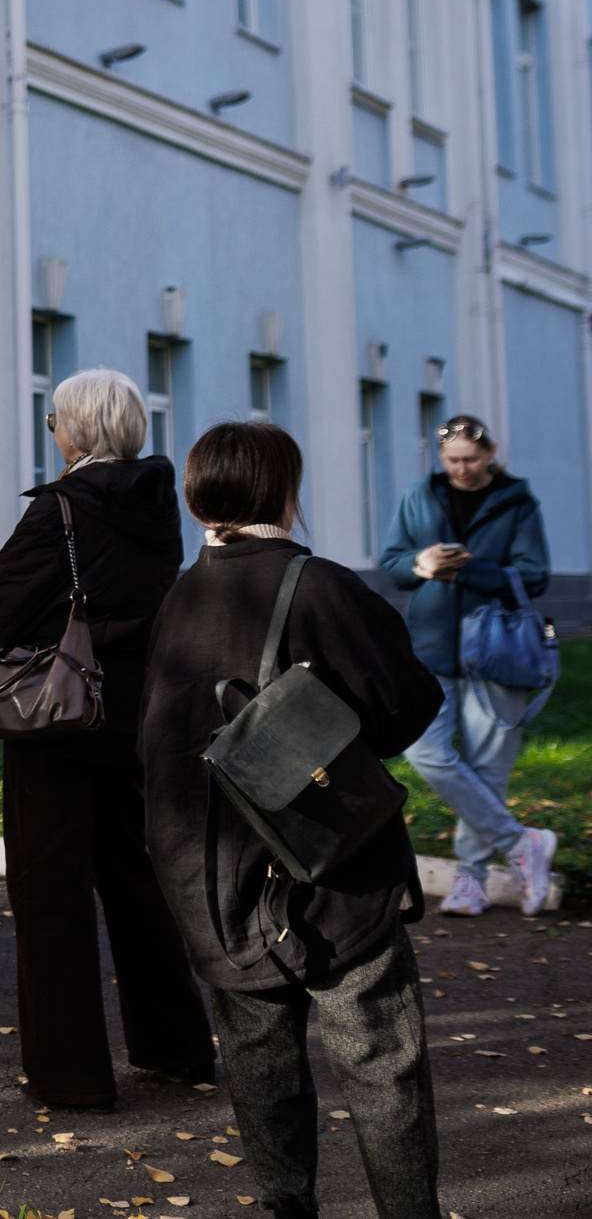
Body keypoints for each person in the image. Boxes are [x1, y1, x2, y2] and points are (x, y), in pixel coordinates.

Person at [145, 420, 444, 1219]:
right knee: (382, 1066)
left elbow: (159, 746)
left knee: (259, 1070)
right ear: (284, 489)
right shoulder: (320, 586)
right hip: (331, 870)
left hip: (214, 884)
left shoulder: (179, 595)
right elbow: (409, 702)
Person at [0, 369, 215, 1108]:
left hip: (58, 721)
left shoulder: (61, 510)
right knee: (136, 883)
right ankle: (176, 1047)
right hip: (132, 717)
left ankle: (70, 1073)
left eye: (53, 421)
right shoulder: (158, 507)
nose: (52, 433)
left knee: (50, 896)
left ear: (74, 429)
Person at [378, 414, 559, 917]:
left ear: (491, 452)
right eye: (453, 459)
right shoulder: (419, 496)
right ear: (441, 457)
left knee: (487, 768)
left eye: (472, 459)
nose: (462, 468)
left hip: (500, 654)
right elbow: (391, 561)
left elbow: (534, 575)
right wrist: (422, 565)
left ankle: (472, 882)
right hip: (431, 650)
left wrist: (465, 570)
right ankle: (523, 843)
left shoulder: (517, 502)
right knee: (426, 753)